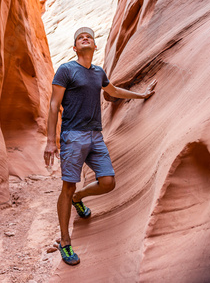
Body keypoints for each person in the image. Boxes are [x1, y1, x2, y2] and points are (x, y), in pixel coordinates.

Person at [43, 27, 157, 265]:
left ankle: (79, 198)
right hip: (73, 136)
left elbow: (112, 91)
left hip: (96, 136)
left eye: (89, 37)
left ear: (95, 46)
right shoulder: (66, 70)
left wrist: (142, 95)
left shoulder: (98, 72)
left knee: (108, 182)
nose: (85, 38)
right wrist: (50, 141)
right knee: (67, 187)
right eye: (80, 38)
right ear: (75, 48)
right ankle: (65, 242)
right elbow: (54, 105)